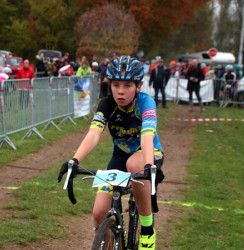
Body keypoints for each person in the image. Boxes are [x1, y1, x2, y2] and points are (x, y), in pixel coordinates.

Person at [58, 56, 164, 250]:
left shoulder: (146, 103)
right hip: (120, 156)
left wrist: (150, 165)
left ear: (139, 86)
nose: (120, 91)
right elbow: (93, 135)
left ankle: (148, 231)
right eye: (115, 84)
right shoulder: (107, 104)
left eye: (127, 85)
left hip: (148, 153)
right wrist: (74, 160)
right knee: (99, 213)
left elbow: (147, 137)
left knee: (135, 165)